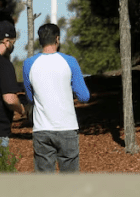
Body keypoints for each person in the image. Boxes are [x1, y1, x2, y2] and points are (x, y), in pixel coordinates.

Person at [23, 23, 90, 173]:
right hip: (67, 127)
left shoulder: (29, 64)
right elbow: (84, 96)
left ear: (40, 40)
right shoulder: (70, 61)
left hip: (42, 128)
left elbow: (29, 97)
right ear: (57, 39)